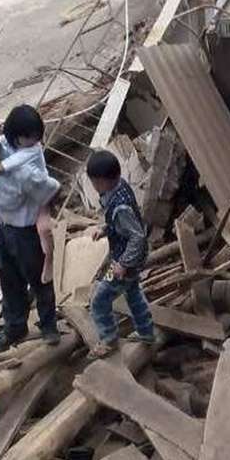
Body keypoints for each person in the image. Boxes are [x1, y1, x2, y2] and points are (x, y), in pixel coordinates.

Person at [0, 107, 61, 349]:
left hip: (25, 233)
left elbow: (52, 189)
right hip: (3, 230)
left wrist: (43, 215)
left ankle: (49, 326)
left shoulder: (24, 173)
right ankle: (15, 327)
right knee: (8, 280)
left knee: (39, 281)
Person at [86, 150, 154, 357]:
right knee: (133, 293)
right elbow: (123, 225)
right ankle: (146, 332)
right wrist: (105, 228)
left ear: (103, 181)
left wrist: (123, 264)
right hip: (126, 261)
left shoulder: (120, 207)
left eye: (94, 183)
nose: (94, 187)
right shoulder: (119, 186)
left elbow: (137, 236)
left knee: (98, 300)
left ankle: (108, 339)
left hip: (123, 263)